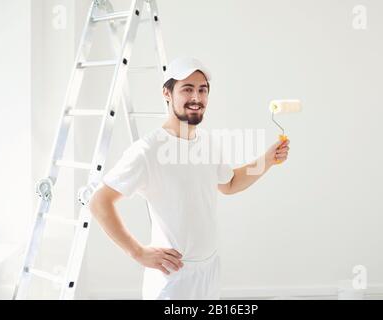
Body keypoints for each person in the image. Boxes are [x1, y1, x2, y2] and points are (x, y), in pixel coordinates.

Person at [89, 57, 290, 299]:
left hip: (209, 270)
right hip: (173, 277)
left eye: (202, 90)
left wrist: (267, 160)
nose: (196, 98)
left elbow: (229, 183)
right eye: (187, 89)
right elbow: (99, 201)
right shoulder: (147, 150)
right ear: (167, 93)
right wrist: (138, 252)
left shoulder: (206, 142)